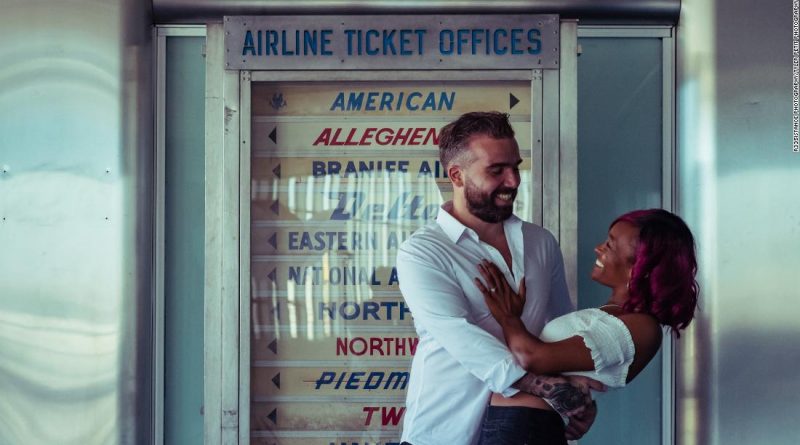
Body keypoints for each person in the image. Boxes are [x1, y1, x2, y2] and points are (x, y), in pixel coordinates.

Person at [396, 112, 601, 445]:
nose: (513, 181)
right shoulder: (422, 252)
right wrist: (552, 389)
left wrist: (579, 399)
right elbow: (460, 336)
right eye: (497, 170)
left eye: (515, 167)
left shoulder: (540, 242)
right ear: (456, 176)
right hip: (445, 432)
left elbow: (561, 332)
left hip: (528, 429)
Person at [474, 208, 699, 444]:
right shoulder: (612, 315)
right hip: (516, 424)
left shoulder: (642, 327)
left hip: (526, 428)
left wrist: (509, 317)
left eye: (610, 245)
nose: (598, 248)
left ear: (639, 268)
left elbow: (531, 357)